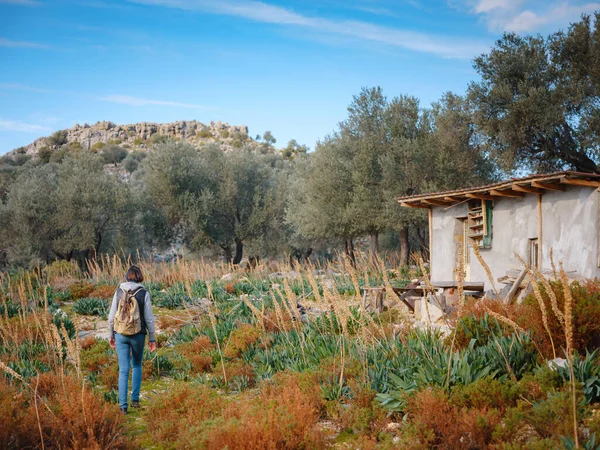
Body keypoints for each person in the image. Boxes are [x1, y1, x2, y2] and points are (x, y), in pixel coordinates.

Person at [108, 265, 157, 415]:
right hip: (138, 334)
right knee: (136, 365)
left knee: (123, 370)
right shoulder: (143, 293)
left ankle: (123, 407)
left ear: (126, 276)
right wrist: (152, 338)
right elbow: (149, 318)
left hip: (120, 333)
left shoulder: (118, 291)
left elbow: (111, 317)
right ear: (139, 276)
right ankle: (135, 400)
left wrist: (111, 334)